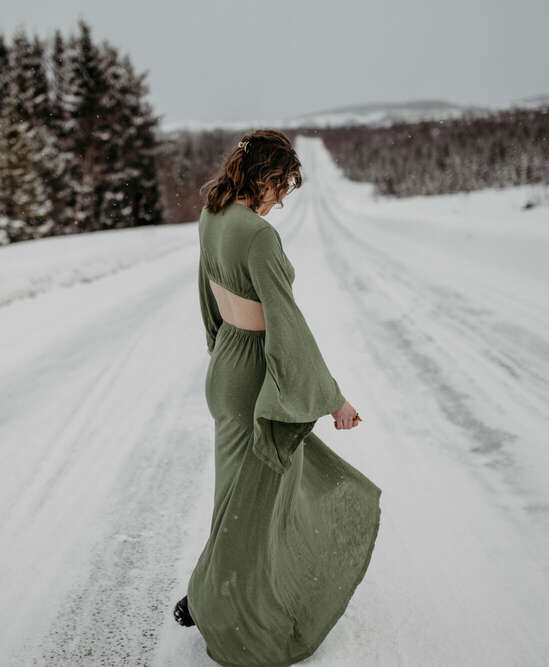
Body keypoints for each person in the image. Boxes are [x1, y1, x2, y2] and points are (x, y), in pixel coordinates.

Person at [174, 129, 382, 666]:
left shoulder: (211, 216)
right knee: (253, 506)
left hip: (226, 364)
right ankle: (227, 611)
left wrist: (218, 349)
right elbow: (286, 325)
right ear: (266, 176)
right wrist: (333, 398)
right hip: (250, 376)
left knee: (236, 496)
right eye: (282, 185)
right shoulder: (258, 236)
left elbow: (206, 294)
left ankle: (205, 595)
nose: (282, 199)